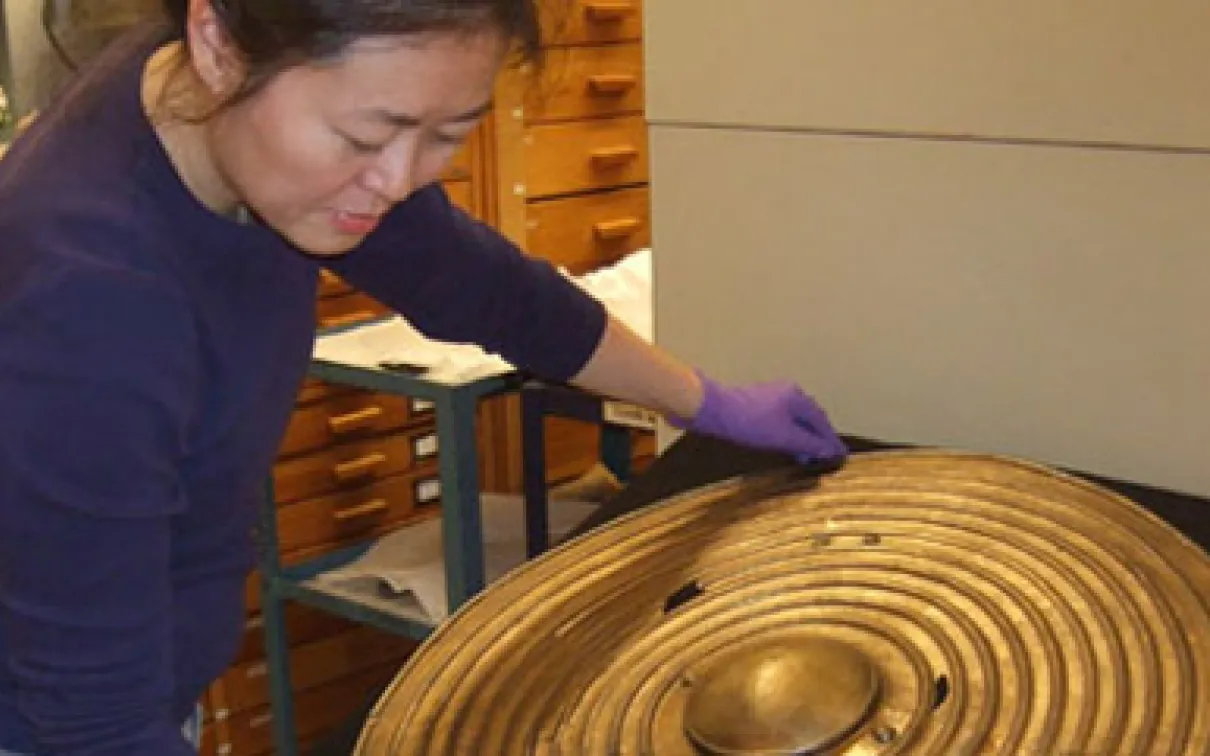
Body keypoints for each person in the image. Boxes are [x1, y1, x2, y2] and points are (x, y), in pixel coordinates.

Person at [0, 0, 848, 752]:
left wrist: (704, 400)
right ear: (216, 42)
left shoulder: (197, 95)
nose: (399, 181)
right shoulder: (87, 300)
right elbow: (91, 720)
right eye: (367, 136)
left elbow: (487, 289)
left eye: (447, 135)